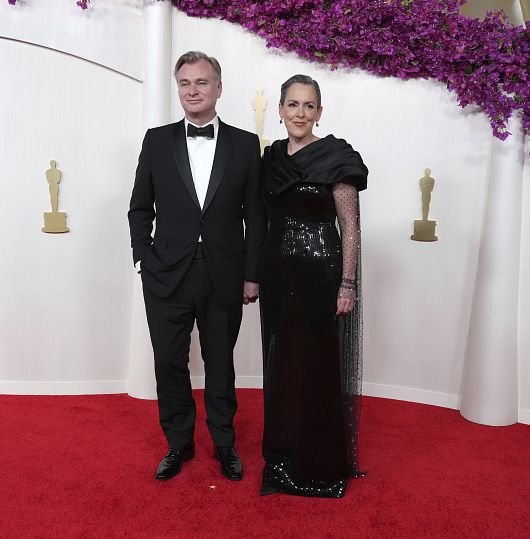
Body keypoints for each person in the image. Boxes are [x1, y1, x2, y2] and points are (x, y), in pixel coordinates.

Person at [128, 51, 266, 482]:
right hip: (165, 274)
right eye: (185, 83)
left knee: (220, 364)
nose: (192, 90)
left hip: (224, 273)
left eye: (201, 82)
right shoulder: (156, 140)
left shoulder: (245, 145)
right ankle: (178, 443)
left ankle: (224, 444)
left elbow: (256, 215)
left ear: (218, 88)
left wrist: (251, 273)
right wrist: (143, 259)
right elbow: (139, 208)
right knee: (169, 362)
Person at [259, 74, 368, 498]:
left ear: (319, 112)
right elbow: (264, 219)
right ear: (281, 109)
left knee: (317, 367)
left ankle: (318, 464)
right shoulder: (270, 159)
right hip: (277, 277)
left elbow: (351, 227)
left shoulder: (337, 157)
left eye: (308, 106)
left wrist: (347, 283)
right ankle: (283, 456)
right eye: (292, 105)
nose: (299, 113)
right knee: (283, 365)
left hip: (322, 276)